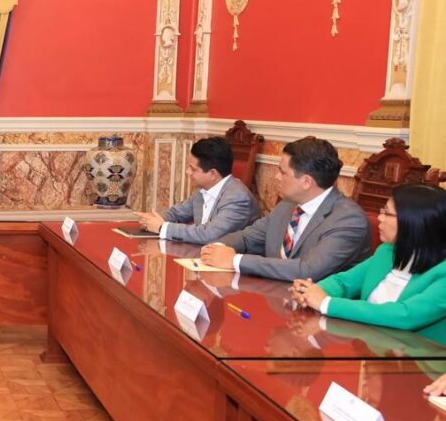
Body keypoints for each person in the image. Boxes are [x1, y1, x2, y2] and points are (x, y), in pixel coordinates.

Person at [200, 136, 372, 281]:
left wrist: (235, 261)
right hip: (273, 296)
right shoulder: (286, 205)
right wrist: (215, 248)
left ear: (306, 182)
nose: (276, 177)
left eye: (283, 172)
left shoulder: (348, 220)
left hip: (315, 308)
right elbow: (247, 238)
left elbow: (307, 271)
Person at [290, 184, 446, 333]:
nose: (380, 218)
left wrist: (326, 303)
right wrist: (309, 292)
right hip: (368, 342)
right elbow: (343, 282)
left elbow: (406, 315)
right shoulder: (387, 252)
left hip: (415, 351)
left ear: (414, 222)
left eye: (387, 213)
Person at [135, 136, 260, 244]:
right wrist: (153, 220)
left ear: (212, 174)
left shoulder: (238, 198)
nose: (187, 172)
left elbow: (209, 235)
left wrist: (162, 227)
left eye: (193, 169)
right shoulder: (203, 190)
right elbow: (177, 213)